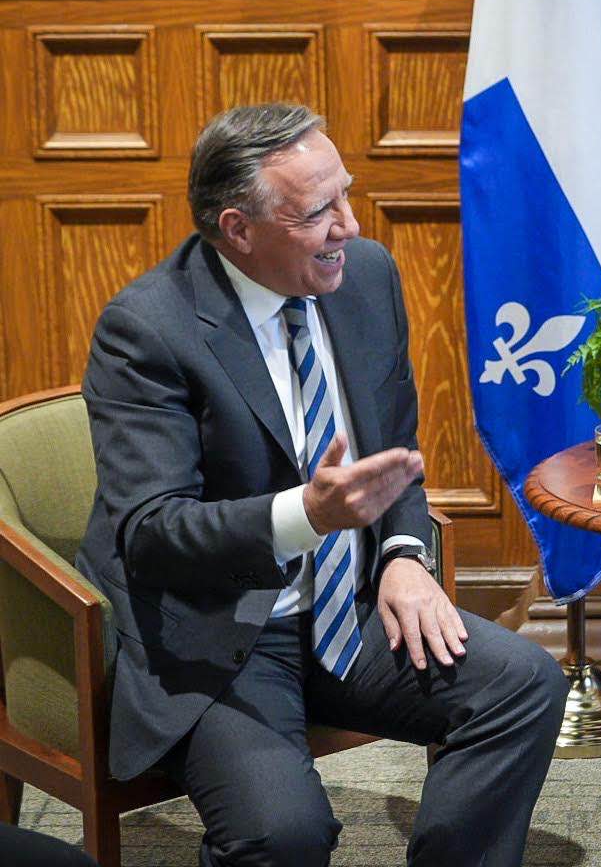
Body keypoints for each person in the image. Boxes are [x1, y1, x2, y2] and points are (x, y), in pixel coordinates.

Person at [76, 103, 569, 867]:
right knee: (283, 834)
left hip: (354, 606)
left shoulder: (365, 275)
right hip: (222, 635)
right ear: (238, 229)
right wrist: (304, 514)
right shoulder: (148, 329)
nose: (349, 224)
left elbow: (394, 450)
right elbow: (151, 533)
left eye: (346, 194)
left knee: (524, 686)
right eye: (317, 212)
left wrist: (403, 553)